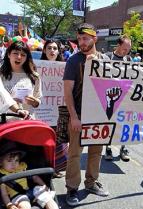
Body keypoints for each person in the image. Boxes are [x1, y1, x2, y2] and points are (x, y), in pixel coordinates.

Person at [63, 23, 109, 206]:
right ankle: (72, 188)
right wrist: (74, 116)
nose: (81, 42)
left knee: (96, 152)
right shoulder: (73, 61)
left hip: (99, 117)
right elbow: (67, 92)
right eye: (79, 39)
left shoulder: (105, 59)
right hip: (80, 116)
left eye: (85, 38)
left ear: (94, 38)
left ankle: (91, 182)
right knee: (74, 154)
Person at [0, 140, 58, 209]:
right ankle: (37, 204)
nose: (14, 164)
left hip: (31, 190)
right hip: (17, 196)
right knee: (25, 205)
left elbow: (35, 177)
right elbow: (4, 194)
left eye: (16, 160)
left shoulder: (22, 166)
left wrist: (44, 185)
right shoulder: (2, 175)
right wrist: (9, 204)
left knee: (46, 197)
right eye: (9, 161)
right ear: (0, 162)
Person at [40, 40, 68, 179]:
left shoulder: (65, 68)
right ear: (44, 50)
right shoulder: (35, 67)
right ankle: (42, 168)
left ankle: (56, 168)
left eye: (55, 48)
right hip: (42, 112)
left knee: (59, 141)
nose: (52, 51)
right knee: (43, 141)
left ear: (58, 51)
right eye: (49, 48)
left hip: (59, 111)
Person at [104, 35, 132, 162]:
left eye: (128, 49)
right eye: (125, 48)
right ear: (118, 45)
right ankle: (108, 148)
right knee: (110, 122)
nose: (126, 51)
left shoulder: (129, 59)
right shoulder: (107, 57)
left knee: (124, 123)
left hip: (125, 96)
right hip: (110, 95)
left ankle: (123, 148)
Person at [0, 40, 42, 119]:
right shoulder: (1, 74)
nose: (19, 57)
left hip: (26, 122)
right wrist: (17, 109)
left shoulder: (34, 76)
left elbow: (38, 99)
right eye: (15, 53)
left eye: (23, 55)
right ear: (9, 54)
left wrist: (35, 102)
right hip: (4, 123)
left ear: (26, 58)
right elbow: (3, 94)